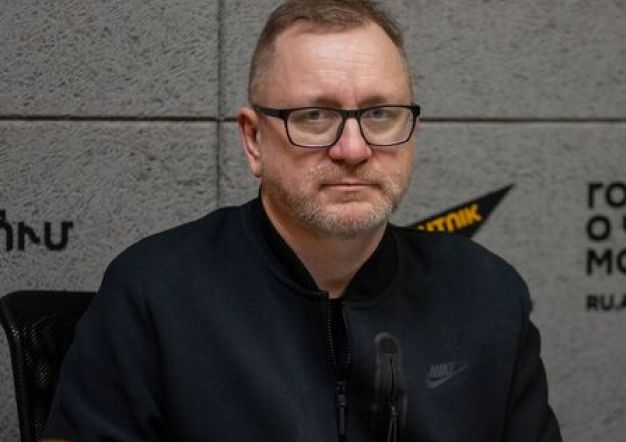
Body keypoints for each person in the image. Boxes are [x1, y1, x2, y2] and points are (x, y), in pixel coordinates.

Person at [43, 0, 562, 440]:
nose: (353, 149)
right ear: (253, 140)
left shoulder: (488, 296)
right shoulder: (154, 294)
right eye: (315, 116)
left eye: (380, 114)